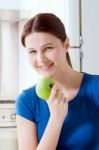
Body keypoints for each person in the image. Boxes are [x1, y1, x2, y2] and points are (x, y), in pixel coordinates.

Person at [16, 13, 99, 150]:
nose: (41, 59)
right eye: (32, 52)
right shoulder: (27, 101)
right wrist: (56, 118)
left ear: (66, 45)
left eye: (48, 48)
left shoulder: (95, 88)